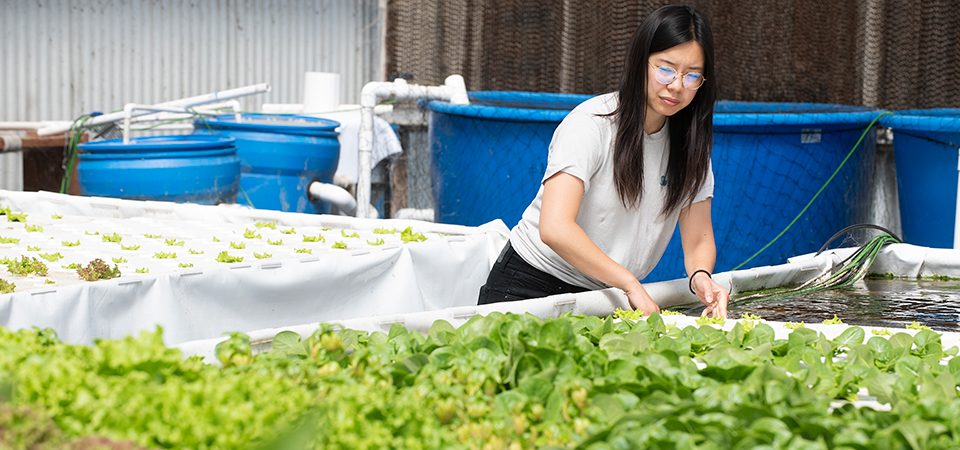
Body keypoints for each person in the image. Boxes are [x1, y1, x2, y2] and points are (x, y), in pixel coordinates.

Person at [477, 5, 729, 318]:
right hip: (530, 285)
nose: (677, 85)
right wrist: (629, 283)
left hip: (605, 295)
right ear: (641, 63)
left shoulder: (691, 146)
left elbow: (698, 238)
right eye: (665, 69)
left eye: (692, 75)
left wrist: (701, 277)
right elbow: (555, 227)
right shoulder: (591, 122)